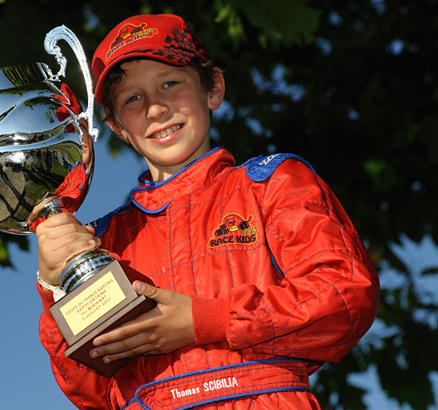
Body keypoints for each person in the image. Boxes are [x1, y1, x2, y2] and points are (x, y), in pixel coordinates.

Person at [35, 13, 379, 410]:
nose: (155, 108)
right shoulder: (103, 240)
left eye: (170, 83)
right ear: (117, 127)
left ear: (213, 88)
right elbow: (92, 393)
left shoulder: (273, 184)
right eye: (132, 98)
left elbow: (344, 295)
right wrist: (55, 285)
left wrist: (206, 320)